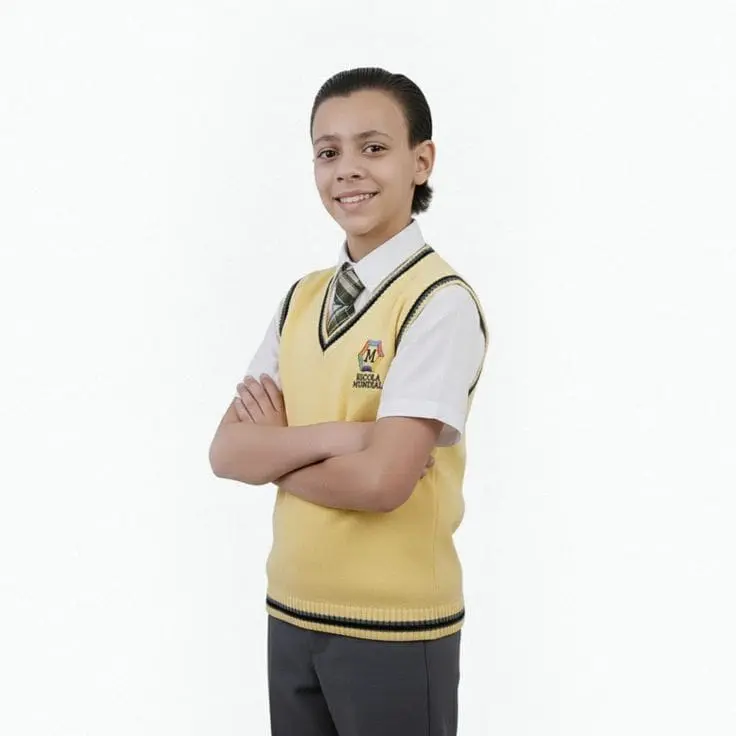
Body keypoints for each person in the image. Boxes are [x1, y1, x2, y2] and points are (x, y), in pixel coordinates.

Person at [209, 67, 489, 736]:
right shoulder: (302, 298)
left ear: (421, 161)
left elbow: (382, 482)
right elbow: (226, 453)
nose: (347, 170)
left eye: (374, 147)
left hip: (394, 629)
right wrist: (346, 436)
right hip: (291, 611)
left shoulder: (437, 303)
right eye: (327, 151)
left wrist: (275, 457)